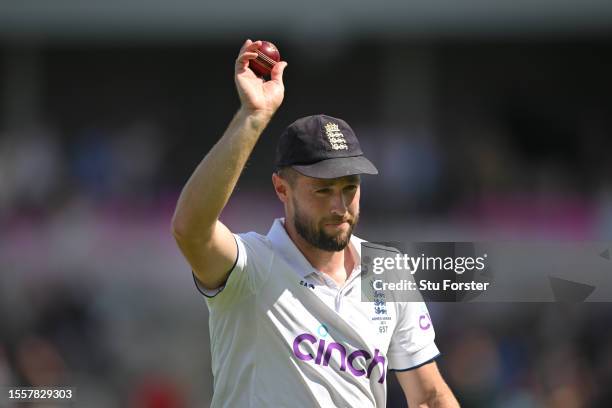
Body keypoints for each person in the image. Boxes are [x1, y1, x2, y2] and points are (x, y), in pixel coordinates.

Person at [171, 39, 459, 408]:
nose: (340, 206)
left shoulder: (386, 273)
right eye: (322, 191)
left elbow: (430, 396)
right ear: (281, 188)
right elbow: (190, 228)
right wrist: (253, 117)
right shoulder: (252, 267)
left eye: (350, 188)